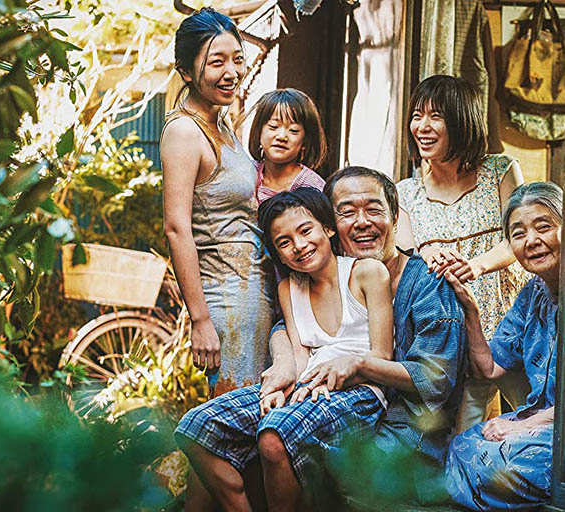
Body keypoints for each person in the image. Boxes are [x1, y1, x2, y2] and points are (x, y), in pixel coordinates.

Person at [176, 167, 468, 510]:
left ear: (396, 216)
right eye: (347, 212)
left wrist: (357, 365)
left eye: (374, 210)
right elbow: (291, 328)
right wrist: (285, 362)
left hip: (403, 427)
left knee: (276, 442)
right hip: (319, 395)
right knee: (208, 433)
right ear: (332, 224)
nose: (361, 222)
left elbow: (435, 379)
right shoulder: (309, 280)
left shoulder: (427, 283)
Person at [395, 74, 529, 432]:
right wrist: (429, 254)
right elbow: (408, 260)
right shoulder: (405, 193)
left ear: (461, 119)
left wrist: (475, 265)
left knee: (538, 417)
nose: (422, 126)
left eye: (435, 116)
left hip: (511, 325)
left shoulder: (500, 171)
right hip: (454, 337)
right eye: (416, 115)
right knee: (462, 434)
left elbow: (519, 239)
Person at [161, 7, 274, 399]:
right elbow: (177, 227)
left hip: (254, 290)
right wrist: (200, 319)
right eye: (216, 62)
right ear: (187, 73)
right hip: (227, 298)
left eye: (237, 59)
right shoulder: (183, 132)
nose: (232, 71)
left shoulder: (221, 123)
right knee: (239, 417)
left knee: (260, 416)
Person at [445, 182, 562, 511]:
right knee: (460, 447)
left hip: (553, 429)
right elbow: (490, 367)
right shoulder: (533, 293)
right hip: (544, 425)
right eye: (519, 233)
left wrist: (522, 426)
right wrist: (470, 311)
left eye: (544, 227)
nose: (532, 241)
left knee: (504, 467)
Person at [248, 89, 327, 205]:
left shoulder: (312, 187)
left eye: (293, 130)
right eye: (273, 126)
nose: (281, 136)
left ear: (305, 141)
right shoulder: (247, 173)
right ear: (259, 131)